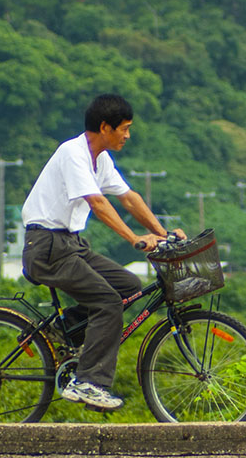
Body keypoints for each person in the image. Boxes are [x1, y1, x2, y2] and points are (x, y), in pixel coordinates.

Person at [21, 93, 185, 410]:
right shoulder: (73, 154)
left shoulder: (101, 159)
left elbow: (129, 198)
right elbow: (98, 203)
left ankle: (62, 330)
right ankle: (88, 382)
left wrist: (163, 234)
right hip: (47, 246)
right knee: (108, 303)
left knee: (129, 288)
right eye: (124, 128)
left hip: (71, 244)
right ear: (105, 127)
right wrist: (133, 238)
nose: (127, 135)